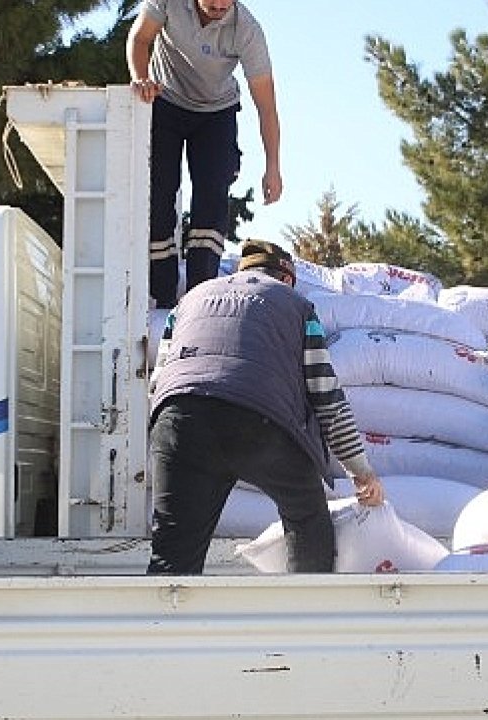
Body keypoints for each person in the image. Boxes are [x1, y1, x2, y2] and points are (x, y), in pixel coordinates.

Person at [146, 239, 384, 574]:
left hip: (181, 419)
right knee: (307, 520)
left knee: (172, 551)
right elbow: (326, 396)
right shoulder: (296, 305)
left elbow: (158, 383)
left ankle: (161, 623)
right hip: (260, 421)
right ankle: (303, 614)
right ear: (286, 277)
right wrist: (361, 471)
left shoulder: (188, 302)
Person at [126, 0, 283, 309]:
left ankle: (201, 293)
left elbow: (266, 106)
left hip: (216, 113)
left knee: (212, 197)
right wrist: (140, 77)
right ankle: (163, 291)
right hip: (165, 99)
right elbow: (140, 39)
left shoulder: (247, 30)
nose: (219, 5)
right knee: (159, 193)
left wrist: (273, 166)